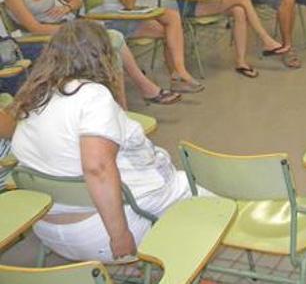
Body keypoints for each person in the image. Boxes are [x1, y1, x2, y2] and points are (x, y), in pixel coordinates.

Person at [9, 20, 196, 262]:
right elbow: (97, 168)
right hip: (102, 235)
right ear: (103, 56)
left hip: (48, 229)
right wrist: (119, 236)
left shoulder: (35, 94)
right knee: (213, 204)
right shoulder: (92, 96)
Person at [3, 0, 181, 106]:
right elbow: (35, 28)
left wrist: (67, 8)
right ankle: (140, 94)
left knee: (114, 41)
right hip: (44, 39)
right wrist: (74, 30)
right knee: (112, 40)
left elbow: (76, 0)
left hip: (65, 28)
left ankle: (129, 101)